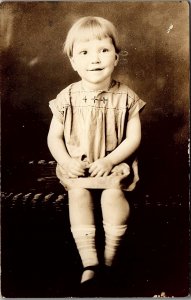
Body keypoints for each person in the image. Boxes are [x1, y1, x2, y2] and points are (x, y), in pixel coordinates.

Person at [47, 16, 146, 287]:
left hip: (113, 165)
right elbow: (54, 137)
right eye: (84, 52)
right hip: (79, 166)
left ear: (116, 57)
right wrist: (66, 161)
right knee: (78, 195)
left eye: (103, 50)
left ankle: (111, 261)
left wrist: (111, 159)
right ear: (73, 62)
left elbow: (133, 137)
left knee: (113, 196)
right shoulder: (67, 96)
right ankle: (90, 263)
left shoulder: (126, 96)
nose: (95, 59)